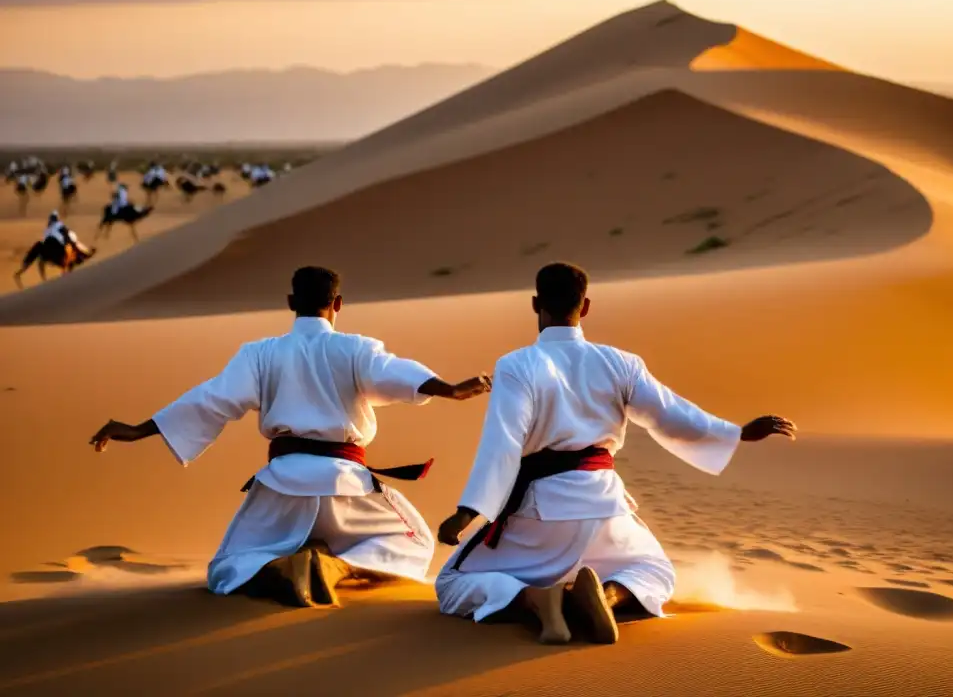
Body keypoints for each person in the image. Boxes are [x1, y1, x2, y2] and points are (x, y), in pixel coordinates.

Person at [434, 262, 796, 645]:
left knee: (452, 583)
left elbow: (503, 444)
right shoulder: (621, 363)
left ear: (535, 304)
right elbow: (670, 415)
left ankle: (536, 599)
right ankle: (608, 597)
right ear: (585, 306)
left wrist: (466, 513)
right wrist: (735, 433)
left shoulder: (516, 365)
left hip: (540, 513)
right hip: (605, 508)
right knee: (655, 571)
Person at [89, 267, 493, 608]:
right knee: (415, 543)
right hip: (346, 485)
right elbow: (398, 373)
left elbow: (211, 399)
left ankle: (285, 564)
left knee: (229, 567)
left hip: (281, 484)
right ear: (337, 304)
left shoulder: (260, 354)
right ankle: (336, 567)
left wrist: (141, 429)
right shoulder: (355, 349)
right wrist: (451, 389)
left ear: (290, 303)